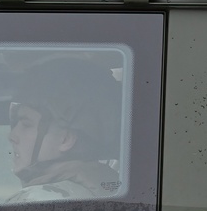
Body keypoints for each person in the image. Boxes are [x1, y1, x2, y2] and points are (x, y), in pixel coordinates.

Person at [7, 57, 122, 202]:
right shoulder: (109, 189)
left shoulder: (37, 201)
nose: (12, 136)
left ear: (66, 139)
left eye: (26, 124)